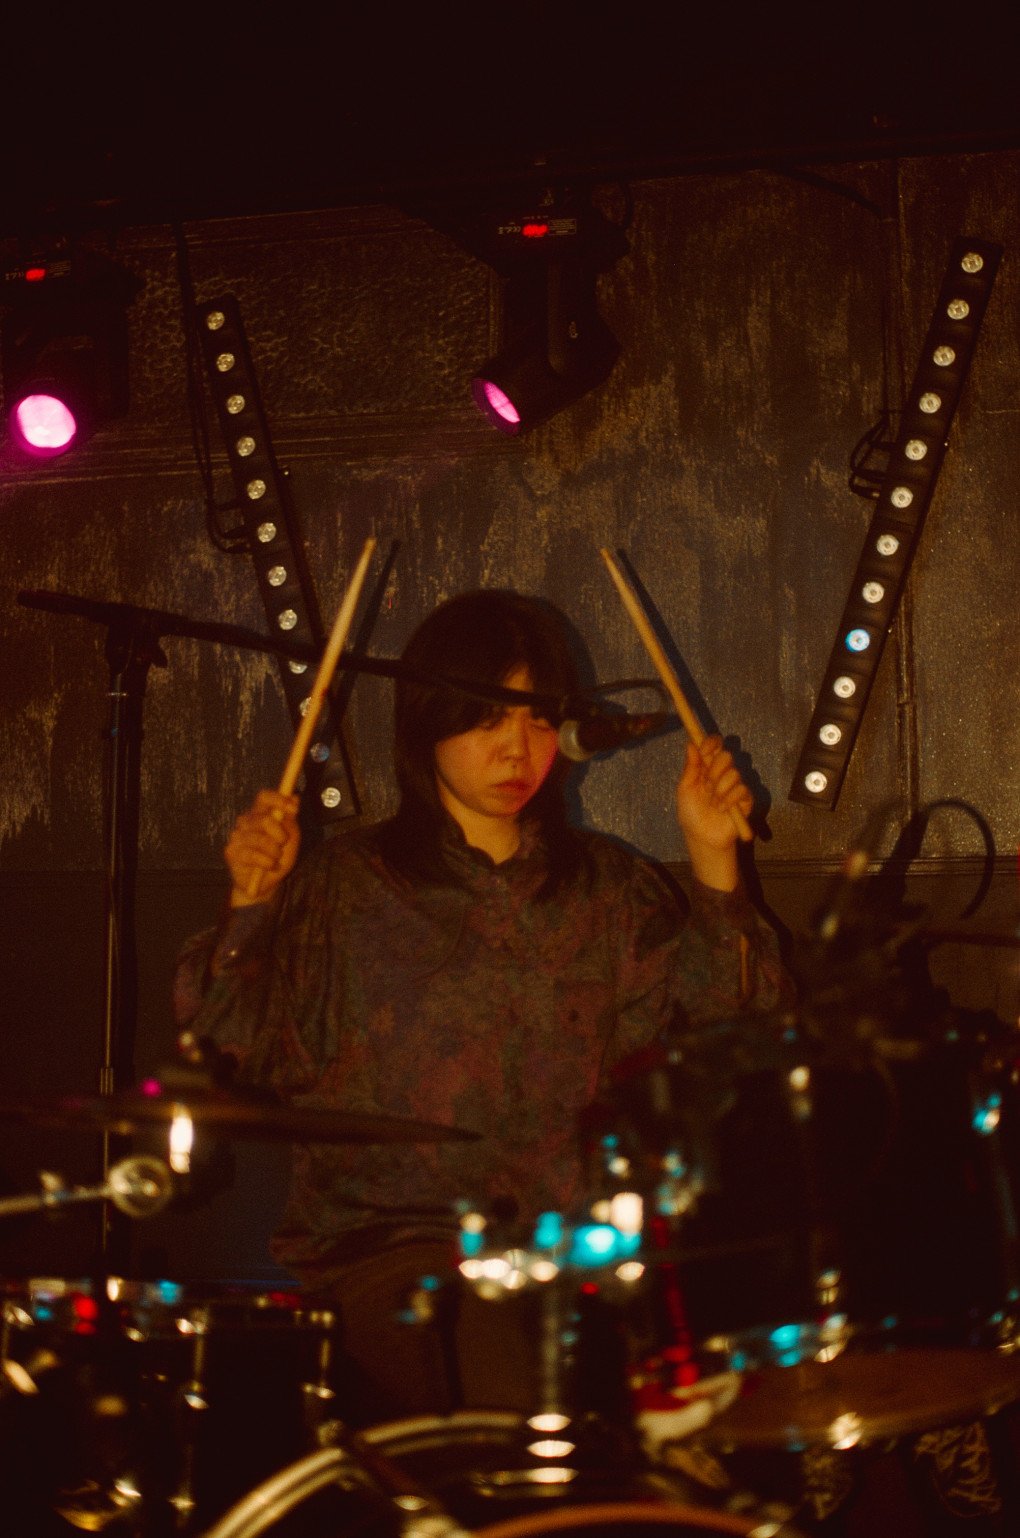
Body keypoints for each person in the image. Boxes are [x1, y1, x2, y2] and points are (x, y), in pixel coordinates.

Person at [174, 589, 791, 1426]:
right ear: (428, 724)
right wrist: (251, 902)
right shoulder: (345, 887)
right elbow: (224, 1053)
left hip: (571, 1263)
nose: (518, 751)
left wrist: (715, 861)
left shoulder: (610, 888)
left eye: (539, 723)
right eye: (488, 722)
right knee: (504, 1366)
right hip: (388, 1260)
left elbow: (729, 1050)